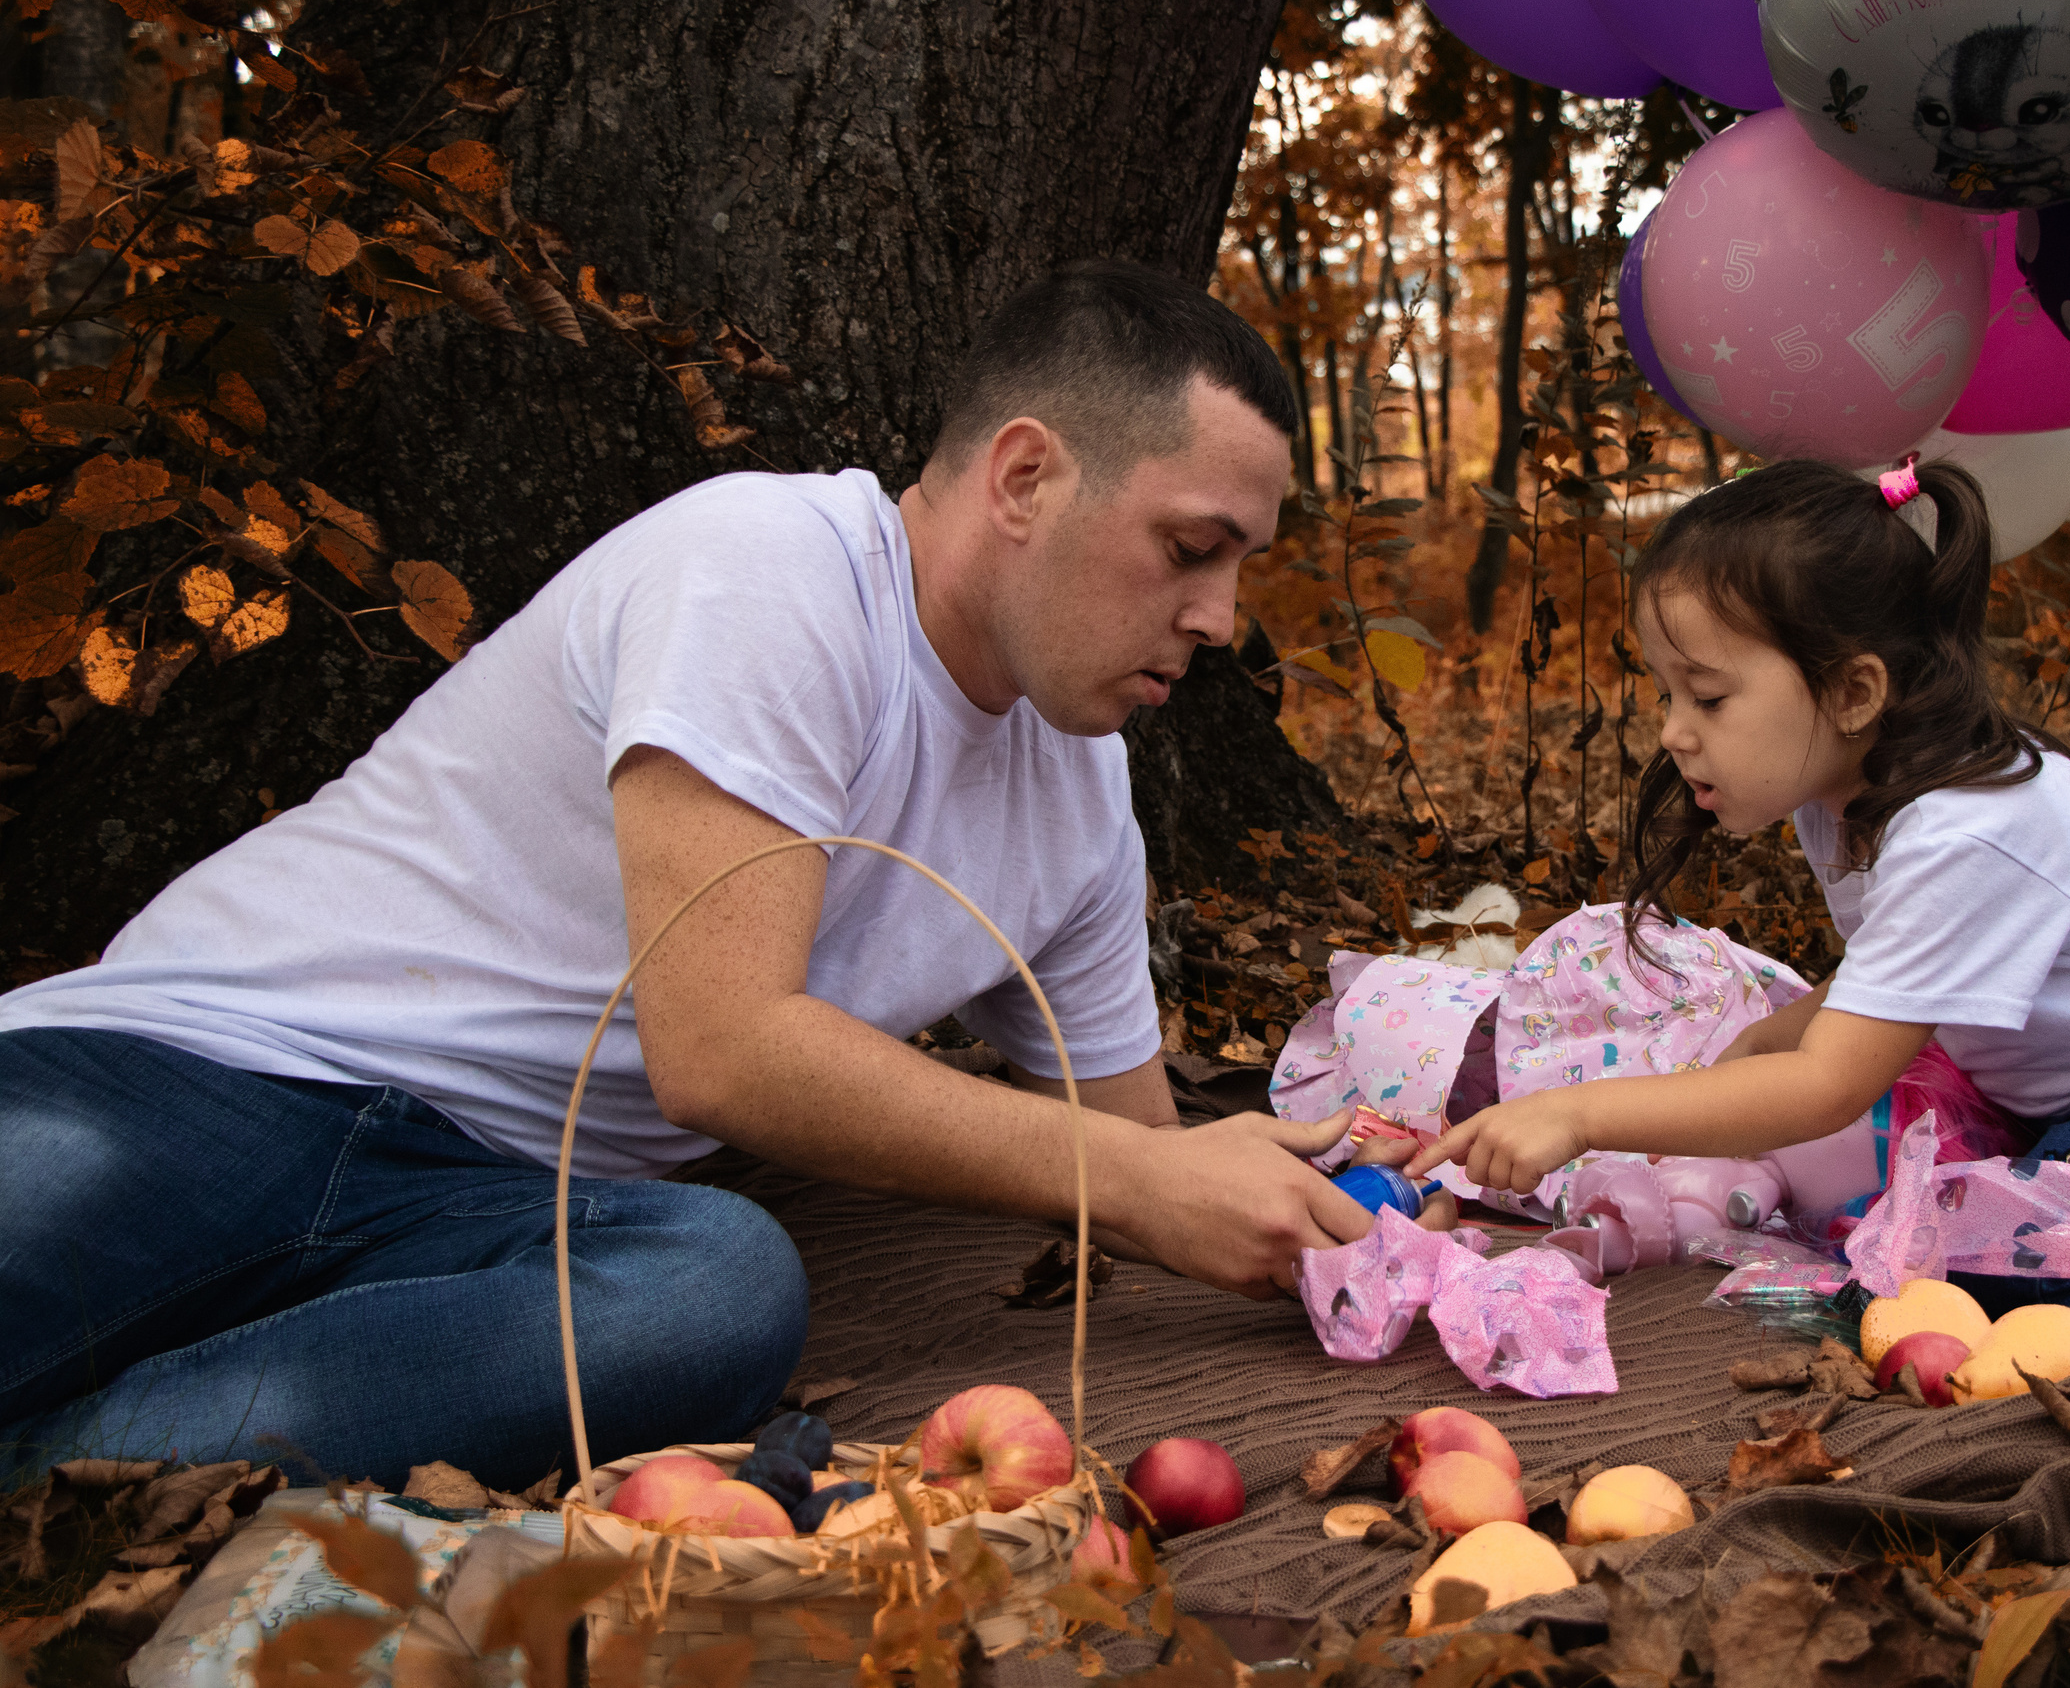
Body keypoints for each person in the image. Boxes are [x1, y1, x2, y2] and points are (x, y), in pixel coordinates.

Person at [0, 261, 1375, 1490]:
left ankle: (66, 1477)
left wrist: (1357, 1218)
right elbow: (722, 1050)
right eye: (1192, 549)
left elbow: (1137, 1148)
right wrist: (1133, 1178)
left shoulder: (1080, 788)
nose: (1218, 617)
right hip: (204, 1074)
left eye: (1241, 567)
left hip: (485, 1208)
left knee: (715, 1286)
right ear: (1025, 478)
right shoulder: (772, 570)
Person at [1410, 457, 2070, 1306]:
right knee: (1905, 1221)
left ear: (1856, 692)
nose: (1671, 729)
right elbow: (1897, 972)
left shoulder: (1968, 828)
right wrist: (1760, 1040)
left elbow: (1828, 1084)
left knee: (1974, 1270)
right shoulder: (1850, 798)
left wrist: (1574, 1114)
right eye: (1667, 693)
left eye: (1707, 695)